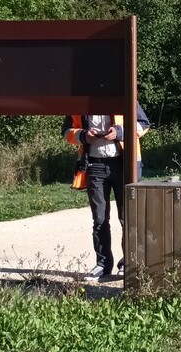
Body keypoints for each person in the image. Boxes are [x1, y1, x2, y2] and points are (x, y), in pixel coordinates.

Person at [62, 106, 150, 279]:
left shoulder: (124, 95)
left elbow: (143, 123)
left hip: (125, 165)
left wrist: (119, 132)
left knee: (128, 218)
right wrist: (84, 136)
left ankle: (128, 263)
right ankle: (103, 265)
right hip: (95, 166)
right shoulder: (80, 102)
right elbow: (66, 131)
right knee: (100, 219)